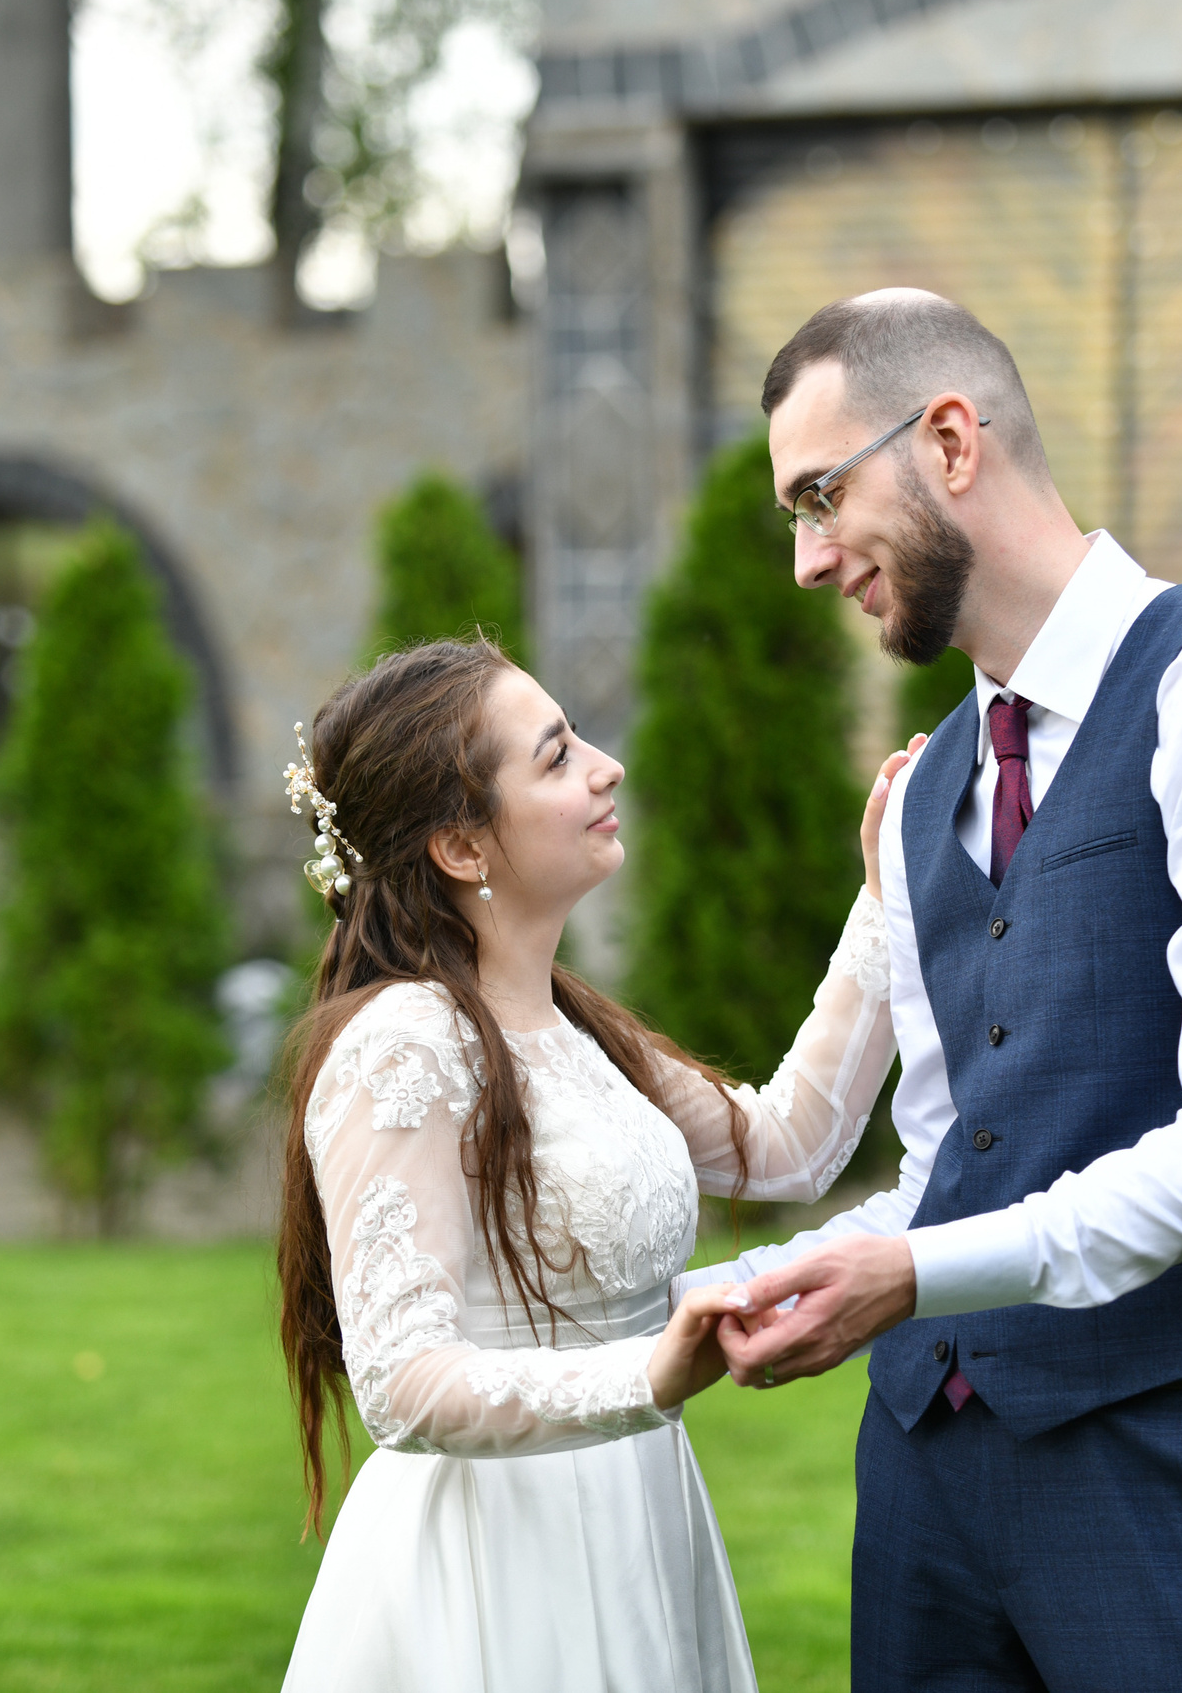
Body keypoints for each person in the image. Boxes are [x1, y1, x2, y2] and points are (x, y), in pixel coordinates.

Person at [688, 290, 1182, 1691]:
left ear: (951, 438)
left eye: (820, 495)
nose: (806, 561)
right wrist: (760, 1277)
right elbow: (959, 1161)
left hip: (1177, 1465)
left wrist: (912, 1272)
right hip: (924, 1477)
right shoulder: (922, 789)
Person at [276, 636, 912, 1692]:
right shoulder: (405, 1046)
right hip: (498, 1560)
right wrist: (645, 1373)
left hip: (641, 1517)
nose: (606, 765)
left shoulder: (572, 1025)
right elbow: (400, 1378)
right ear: (463, 848)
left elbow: (786, 1144)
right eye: (557, 754)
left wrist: (887, 899)